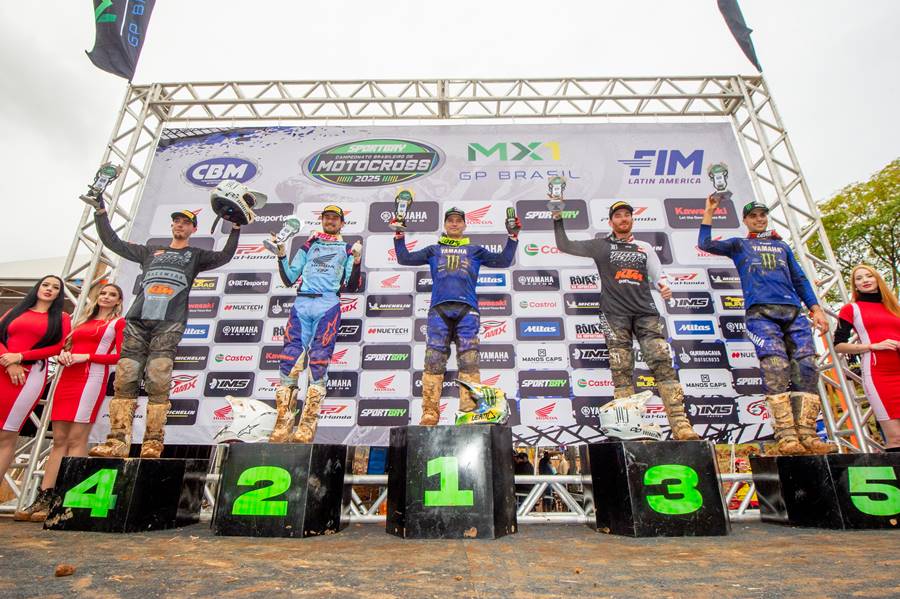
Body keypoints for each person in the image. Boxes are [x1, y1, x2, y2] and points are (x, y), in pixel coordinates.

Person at [90, 202, 243, 458]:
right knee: (126, 376)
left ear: (193, 229)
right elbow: (112, 242)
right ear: (172, 225)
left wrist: (236, 227)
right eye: (177, 221)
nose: (180, 225)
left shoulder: (195, 255)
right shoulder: (150, 251)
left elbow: (225, 256)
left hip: (170, 322)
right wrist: (101, 213)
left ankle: (153, 441)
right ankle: (117, 441)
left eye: (186, 222)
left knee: (158, 377)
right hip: (138, 320)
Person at [698, 195, 834, 455]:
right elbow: (705, 244)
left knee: (807, 367)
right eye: (753, 216)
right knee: (775, 367)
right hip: (760, 313)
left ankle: (808, 435)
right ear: (745, 221)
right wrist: (709, 211)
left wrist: (816, 309)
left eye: (762, 215)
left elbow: (800, 279)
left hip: (793, 311)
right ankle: (786, 436)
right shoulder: (739, 244)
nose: (759, 219)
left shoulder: (781, 246)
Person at [553, 201, 699, 440]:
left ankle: (681, 426)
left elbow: (658, 274)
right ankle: (628, 427)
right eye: (618, 215)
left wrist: (664, 286)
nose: (623, 219)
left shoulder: (644, 247)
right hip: (614, 315)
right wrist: (557, 218)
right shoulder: (600, 245)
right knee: (621, 371)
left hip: (646, 313)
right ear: (611, 221)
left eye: (627, 215)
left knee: (663, 365)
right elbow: (564, 245)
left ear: (632, 219)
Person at [394, 206, 519, 424]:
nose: (454, 223)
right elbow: (404, 258)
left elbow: (504, 260)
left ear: (464, 225)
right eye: (450, 220)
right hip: (439, 311)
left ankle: (468, 411)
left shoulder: (475, 250)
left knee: (469, 362)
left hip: (467, 311)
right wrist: (399, 234)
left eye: (458, 221)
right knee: (433, 361)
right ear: (444, 224)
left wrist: (513, 236)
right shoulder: (434, 250)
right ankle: (430, 413)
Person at [14, 283, 124, 522]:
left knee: (77, 439)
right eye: (103, 293)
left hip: (91, 379)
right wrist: (64, 353)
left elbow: (120, 355)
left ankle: (68, 498)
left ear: (118, 301)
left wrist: (87, 356)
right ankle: (45, 496)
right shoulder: (80, 321)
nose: (106, 297)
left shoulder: (117, 323)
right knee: (59, 440)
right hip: (67, 378)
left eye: (112, 295)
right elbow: (63, 346)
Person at [268, 205, 362, 443]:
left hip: (327, 304)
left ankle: (307, 426)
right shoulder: (309, 245)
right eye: (327, 217)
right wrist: (281, 255)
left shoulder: (347, 248)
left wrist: (357, 260)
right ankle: (283, 424)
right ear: (322, 220)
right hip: (302, 303)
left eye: (335, 218)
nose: (330, 221)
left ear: (342, 223)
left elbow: (352, 286)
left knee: (319, 362)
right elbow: (289, 278)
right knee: (290, 360)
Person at [0, 276, 71, 487]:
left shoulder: (61, 318)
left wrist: (20, 356)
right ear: (37, 288)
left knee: (6, 434)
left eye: (55, 287)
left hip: (28, 376)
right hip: (4, 368)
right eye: (45, 285)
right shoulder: (16, 311)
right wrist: (8, 361)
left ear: (59, 294)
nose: (49, 289)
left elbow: (59, 347)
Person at [833, 265, 900, 451]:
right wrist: (872, 346)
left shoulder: (895, 308)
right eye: (859, 278)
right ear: (855, 285)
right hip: (879, 374)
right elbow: (838, 345)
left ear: (877, 279)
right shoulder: (851, 309)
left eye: (869, 276)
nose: (865, 280)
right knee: (896, 438)